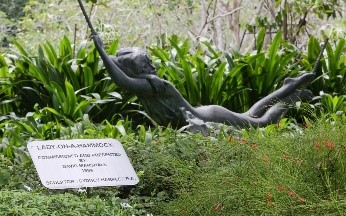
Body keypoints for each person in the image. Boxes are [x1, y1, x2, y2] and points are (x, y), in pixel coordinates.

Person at [90, 34, 314, 129]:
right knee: (251, 116)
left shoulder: (154, 86)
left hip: (211, 117)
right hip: (209, 112)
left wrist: (100, 48)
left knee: (261, 123)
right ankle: (288, 86)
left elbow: (122, 80)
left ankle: (294, 95)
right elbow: (120, 67)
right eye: (146, 66)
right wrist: (103, 50)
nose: (152, 68)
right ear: (139, 70)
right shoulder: (148, 84)